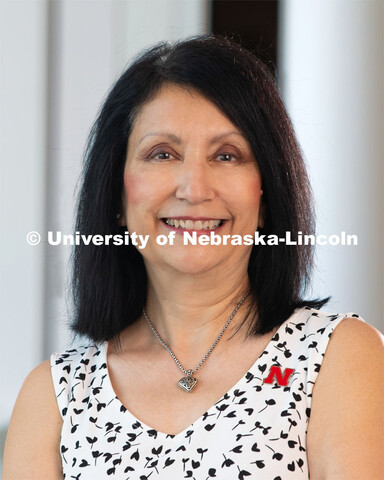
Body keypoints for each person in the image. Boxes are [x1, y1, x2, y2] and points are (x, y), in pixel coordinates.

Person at [3, 35, 384, 480]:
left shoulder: (338, 357)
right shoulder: (55, 396)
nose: (194, 188)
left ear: (264, 198)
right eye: (162, 154)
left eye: (227, 155)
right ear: (117, 199)